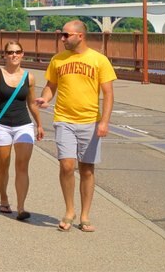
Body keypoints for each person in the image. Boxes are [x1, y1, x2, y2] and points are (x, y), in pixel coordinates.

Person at [36, 19, 116, 233]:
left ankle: (85, 215)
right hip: (64, 119)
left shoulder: (99, 60)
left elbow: (108, 94)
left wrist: (105, 122)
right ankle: (69, 211)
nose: (62, 39)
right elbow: (50, 86)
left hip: (90, 121)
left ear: (80, 36)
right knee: (67, 166)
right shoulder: (58, 60)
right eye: (61, 35)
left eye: (66, 35)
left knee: (87, 170)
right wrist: (45, 99)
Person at [0, 41, 44, 221]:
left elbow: (32, 103)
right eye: (10, 52)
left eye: (17, 52)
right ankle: (3, 197)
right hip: (1, 125)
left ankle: (21, 207)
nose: (14, 55)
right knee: (3, 165)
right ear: (5, 55)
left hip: (23, 125)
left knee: (22, 165)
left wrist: (39, 124)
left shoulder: (29, 77)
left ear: (23, 54)